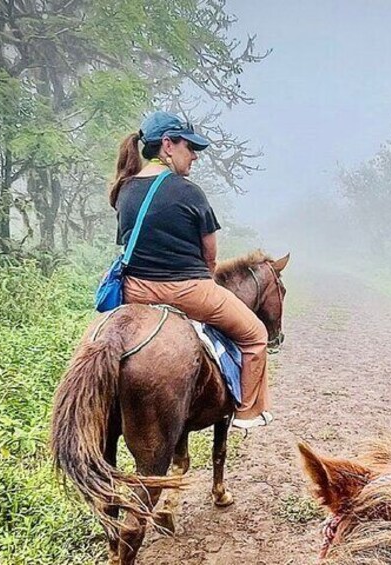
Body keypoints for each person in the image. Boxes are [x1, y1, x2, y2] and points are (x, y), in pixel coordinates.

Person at [109, 111, 272, 430]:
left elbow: (128, 242)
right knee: (255, 336)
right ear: (167, 145)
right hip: (187, 291)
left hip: (133, 292)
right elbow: (210, 256)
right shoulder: (189, 191)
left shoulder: (124, 190)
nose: (195, 155)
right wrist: (205, 283)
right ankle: (247, 412)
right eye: (189, 147)